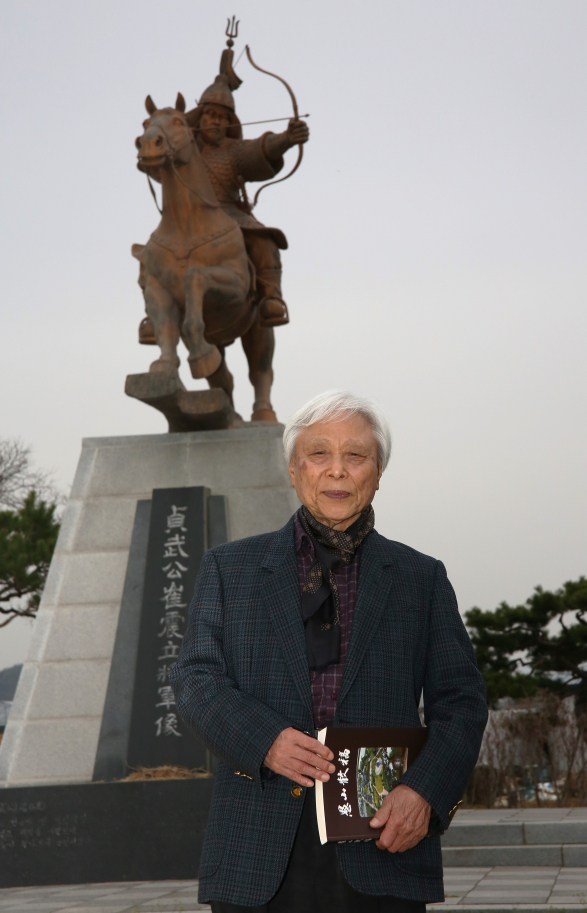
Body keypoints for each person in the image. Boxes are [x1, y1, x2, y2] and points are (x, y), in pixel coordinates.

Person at [171, 391, 488, 911]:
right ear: (294, 470)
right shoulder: (230, 569)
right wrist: (266, 740)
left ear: (378, 471)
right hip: (257, 844)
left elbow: (462, 702)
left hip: (383, 838)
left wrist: (425, 794)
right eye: (319, 454)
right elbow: (195, 680)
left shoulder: (420, 578)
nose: (337, 471)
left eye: (355, 456)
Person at [189, 73, 309, 328]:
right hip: (189, 218)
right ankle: (154, 313)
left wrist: (286, 139)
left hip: (230, 215)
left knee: (264, 240)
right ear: (200, 117)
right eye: (211, 115)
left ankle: (270, 296)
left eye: (223, 118)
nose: (217, 122)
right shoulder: (183, 150)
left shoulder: (233, 150)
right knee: (156, 252)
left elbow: (260, 149)